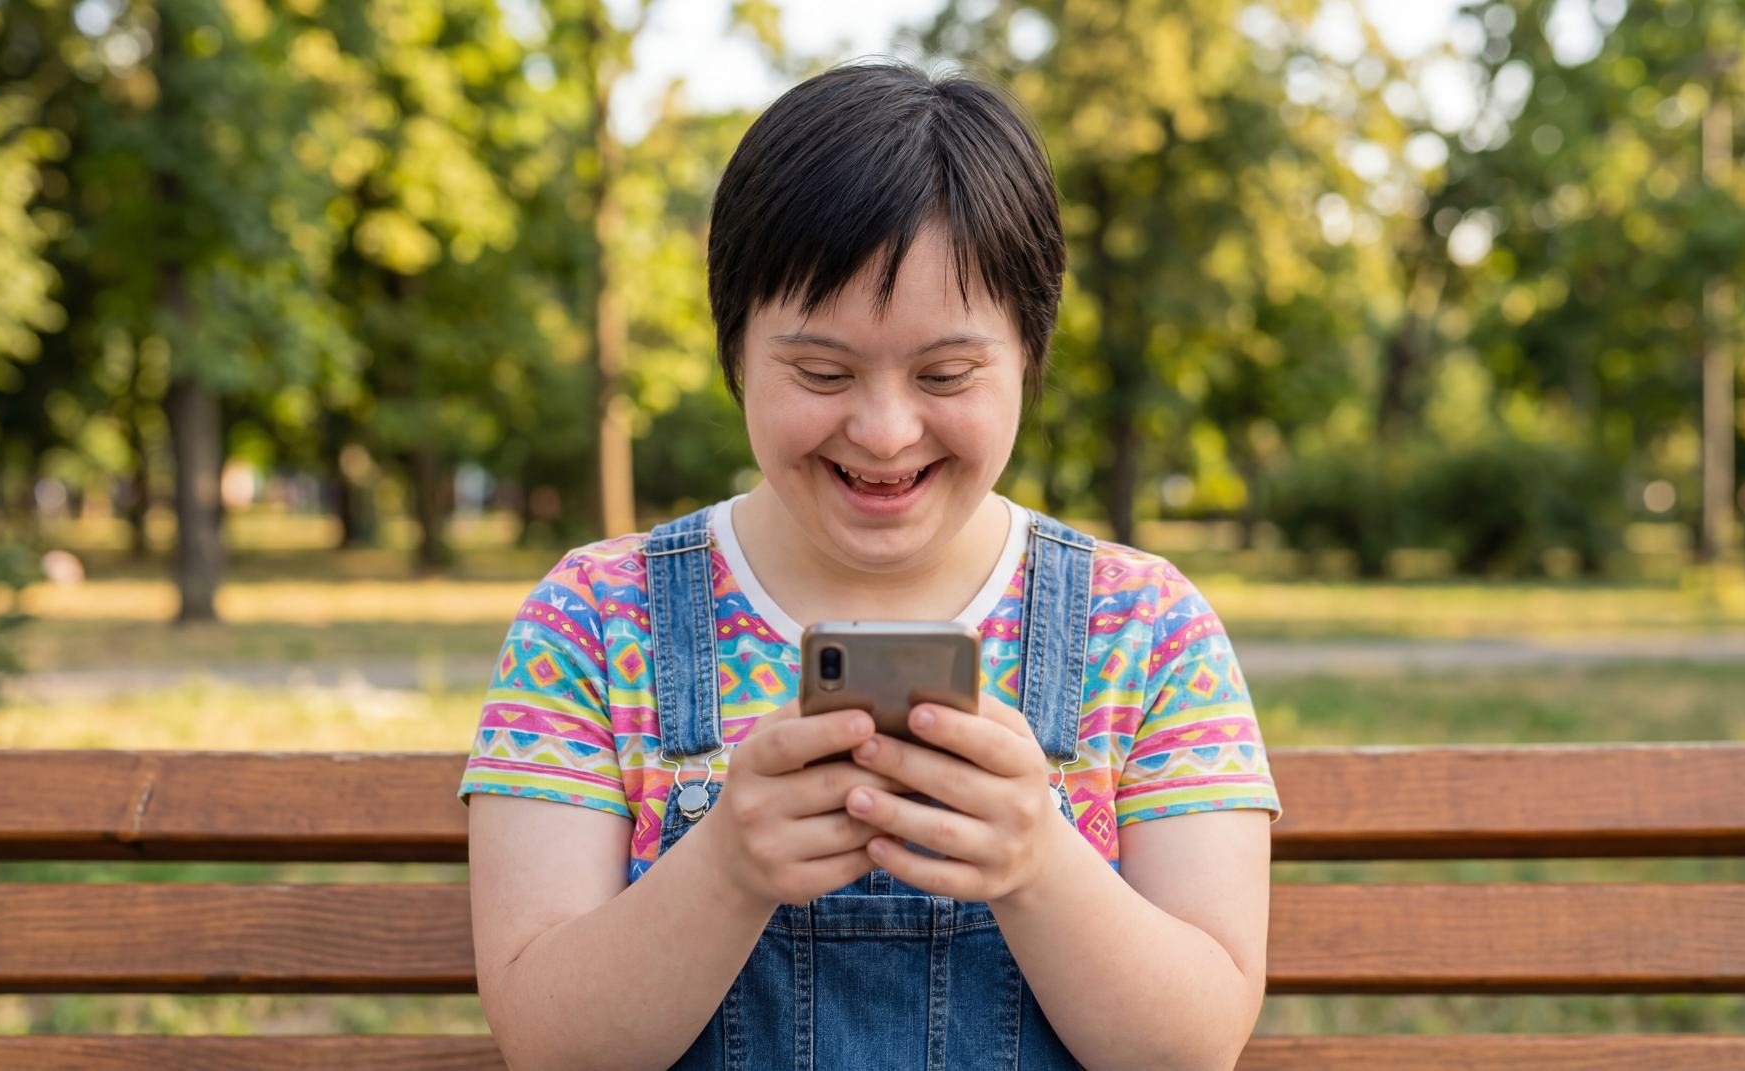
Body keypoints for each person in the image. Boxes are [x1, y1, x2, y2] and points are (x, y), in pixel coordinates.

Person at [458, 60, 1284, 1071]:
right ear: (735, 352)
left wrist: (1038, 865)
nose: (886, 431)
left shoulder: (1146, 629)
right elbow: (547, 1043)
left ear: (1029, 355)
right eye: (822, 372)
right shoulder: (595, 618)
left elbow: (1194, 1046)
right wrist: (724, 867)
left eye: (945, 374)